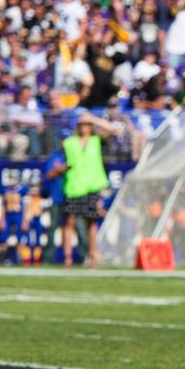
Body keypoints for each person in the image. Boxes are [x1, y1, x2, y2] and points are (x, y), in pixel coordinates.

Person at [59, 114, 115, 268]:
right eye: (81, 124)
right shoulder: (70, 142)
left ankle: (92, 257)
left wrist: (93, 118)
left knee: (91, 222)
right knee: (69, 222)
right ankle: (67, 258)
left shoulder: (96, 141)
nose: (84, 126)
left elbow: (112, 129)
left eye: (86, 124)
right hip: (73, 186)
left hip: (91, 186)